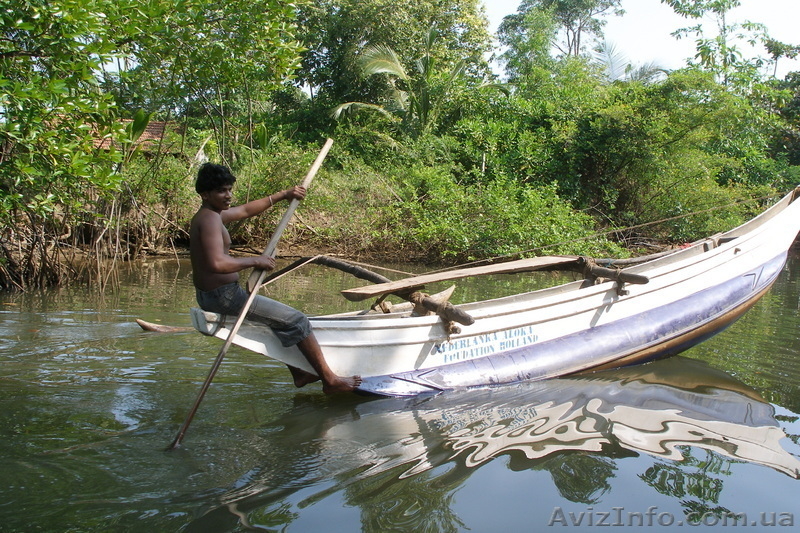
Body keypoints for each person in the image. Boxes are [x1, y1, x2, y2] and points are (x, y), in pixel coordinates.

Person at [189, 162, 361, 394]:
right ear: (205, 194)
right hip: (224, 296)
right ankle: (330, 381)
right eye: (222, 191)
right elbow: (217, 263)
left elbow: (245, 211)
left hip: (214, 295)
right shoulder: (209, 219)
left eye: (230, 189)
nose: (228, 195)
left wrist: (284, 195)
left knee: (277, 320)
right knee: (298, 320)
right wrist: (255, 260)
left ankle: (300, 373)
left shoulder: (212, 215)